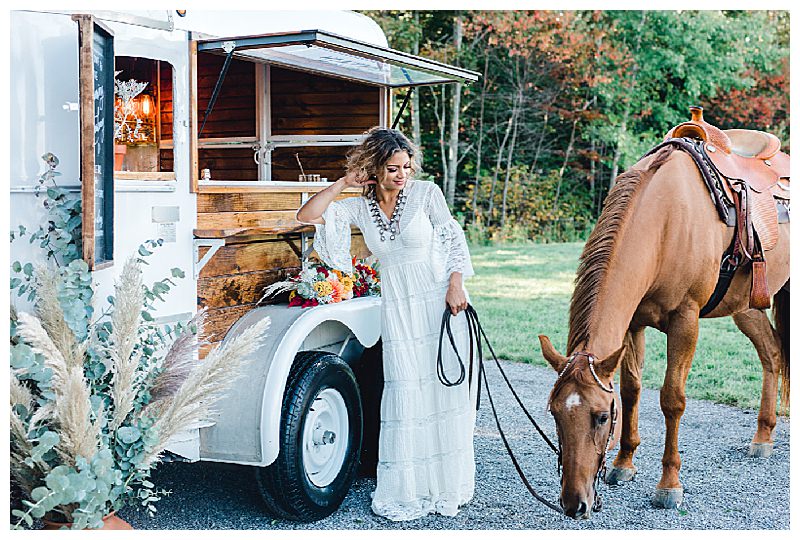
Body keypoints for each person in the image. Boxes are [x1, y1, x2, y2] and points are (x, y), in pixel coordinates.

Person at [295, 127, 477, 521]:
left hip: (438, 300)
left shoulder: (427, 194)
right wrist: (344, 182)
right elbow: (307, 215)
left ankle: (445, 483)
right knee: (407, 388)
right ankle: (410, 486)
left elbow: (452, 241)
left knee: (440, 389)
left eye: (406, 167)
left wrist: (456, 285)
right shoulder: (360, 207)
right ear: (374, 169)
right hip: (399, 307)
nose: (402, 175)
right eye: (393, 168)